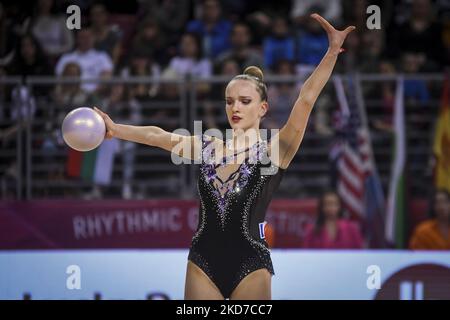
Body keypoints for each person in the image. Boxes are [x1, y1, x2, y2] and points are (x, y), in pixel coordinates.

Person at [94, 13, 355, 300]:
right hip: (202, 262)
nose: (236, 108)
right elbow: (159, 137)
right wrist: (116, 129)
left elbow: (306, 98)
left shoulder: (275, 149)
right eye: (230, 101)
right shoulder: (207, 146)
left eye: (245, 101)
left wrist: (331, 52)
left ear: (263, 108)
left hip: (251, 263)